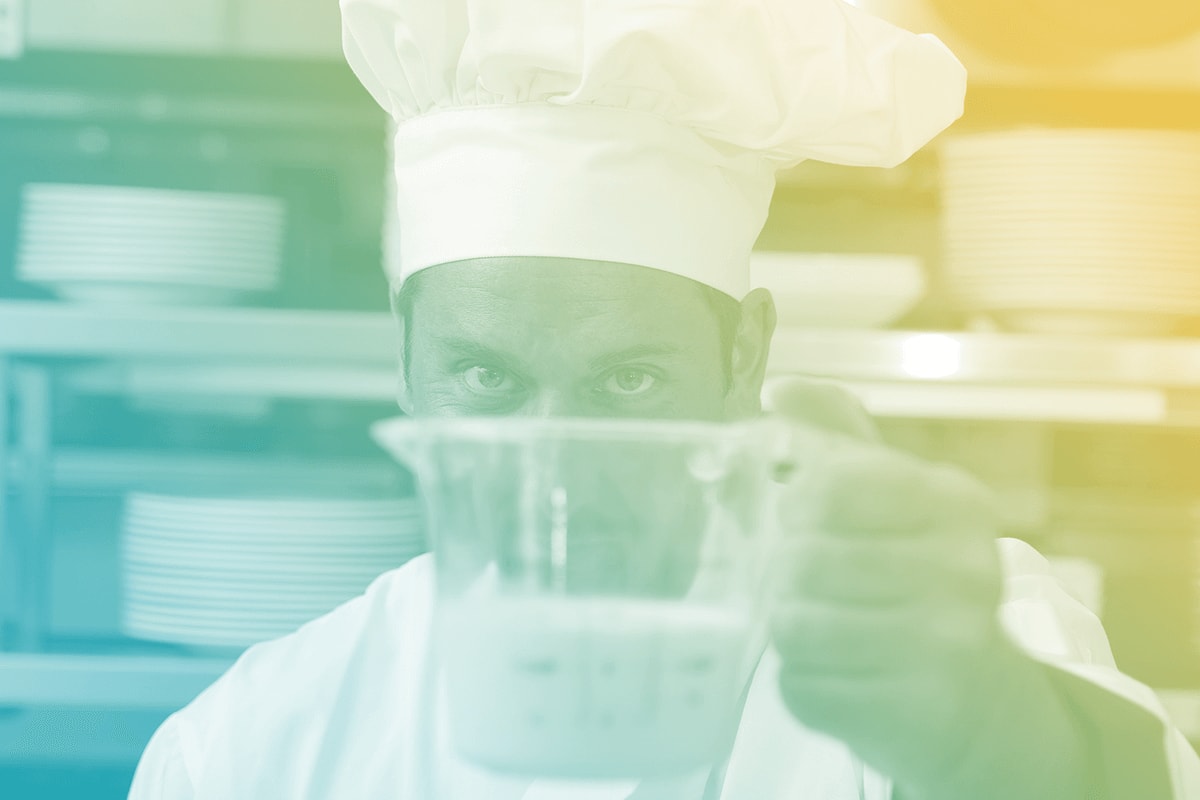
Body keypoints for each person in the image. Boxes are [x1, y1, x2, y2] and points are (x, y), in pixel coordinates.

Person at [129, 0, 1200, 798]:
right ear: (407, 364)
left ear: (744, 355)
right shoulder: (258, 742)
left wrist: (986, 723)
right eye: (487, 380)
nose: (558, 464)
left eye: (628, 379)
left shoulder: (932, 630)